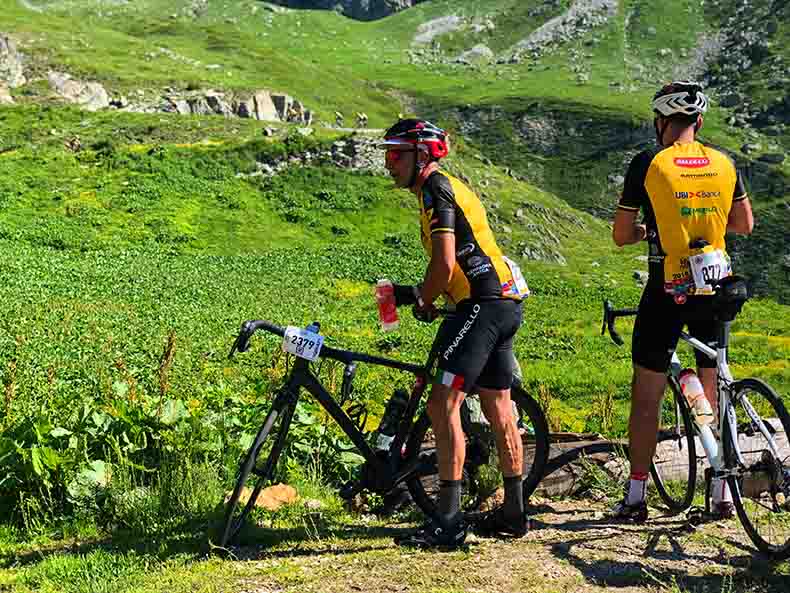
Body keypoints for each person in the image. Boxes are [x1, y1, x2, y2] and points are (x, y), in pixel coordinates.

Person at [378, 119, 531, 548]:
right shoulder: (447, 187)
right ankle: (515, 514)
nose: (389, 164)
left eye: (395, 155)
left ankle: (448, 521)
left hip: (482, 305)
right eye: (386, 155)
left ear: (421, 156)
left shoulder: (434, 188)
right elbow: (454, 268)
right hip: (502, 301)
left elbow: (444, 265)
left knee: (442, 402)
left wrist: (424, 301)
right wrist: (417, 294)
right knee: (499, 404)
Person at [612, 81, 754, 522]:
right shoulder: (724, 162)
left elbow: (621, 234)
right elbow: (744, 224)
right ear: (699, 122)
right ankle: (722, 492)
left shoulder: (648, 163)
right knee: (715, 387)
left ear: (660, 123)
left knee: (647, 394)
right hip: (717, 285)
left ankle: (636, 497)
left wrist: (653, 232)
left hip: (667, 289)